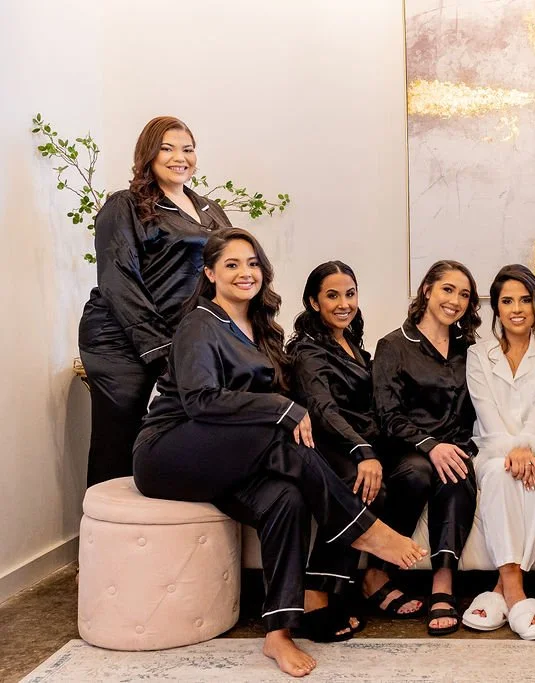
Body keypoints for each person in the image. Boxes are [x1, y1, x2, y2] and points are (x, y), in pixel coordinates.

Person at [133, 229, 425, 677]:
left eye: (252, 263)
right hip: (169, 450)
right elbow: (200, 402)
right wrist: (280, 407)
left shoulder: (259, 328)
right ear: (210, 273)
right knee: (279, 433)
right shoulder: (200, 323)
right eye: (231, 265)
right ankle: (363, 530)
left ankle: (279, 633)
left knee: (284, 499)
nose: (244, 272)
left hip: (226, 457)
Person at [80, 116, 230, 485]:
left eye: (188, 149)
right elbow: (119, 279)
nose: (179, 157)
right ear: (148, 154)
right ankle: (108, 530)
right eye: (167, 148)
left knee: (176, 431)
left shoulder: (210, 209)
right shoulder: (124, 205)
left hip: (177, 337)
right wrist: (160, 348)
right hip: (119, 337)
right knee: (119, 439)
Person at [287, 261, 425, 630]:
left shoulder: (352, 341)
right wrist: (362, 451)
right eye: (332, 295)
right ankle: (316, 593)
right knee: (365, 490)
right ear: (314, 303)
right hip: (329, 444)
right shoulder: (308, 351)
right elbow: (322, 409)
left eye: (350, 294)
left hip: (365, 440)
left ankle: (376, 576)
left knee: (417, 472)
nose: (344, 303)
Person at [372, 260, 481, 636]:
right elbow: (388, 416)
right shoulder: (394, 345)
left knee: (457, 470)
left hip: (455, 446)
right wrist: (430, 445)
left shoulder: (471, 349)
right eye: (448, 289)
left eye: (464, 294)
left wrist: (459, 448)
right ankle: (375, 573)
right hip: (406, 447)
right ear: (427, 291)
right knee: (419, 472)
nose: (455, 300)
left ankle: (443, 583)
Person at [461, 265, 535, 640]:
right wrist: (510, 450)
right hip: (492, 449)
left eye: (524, 300)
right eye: (507, 301)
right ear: (496, 308)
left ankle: (501, 591)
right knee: (500, 477)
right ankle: (519, 594)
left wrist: (527, 448)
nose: (516, 308)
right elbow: (485, 411)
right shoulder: (478, 353)